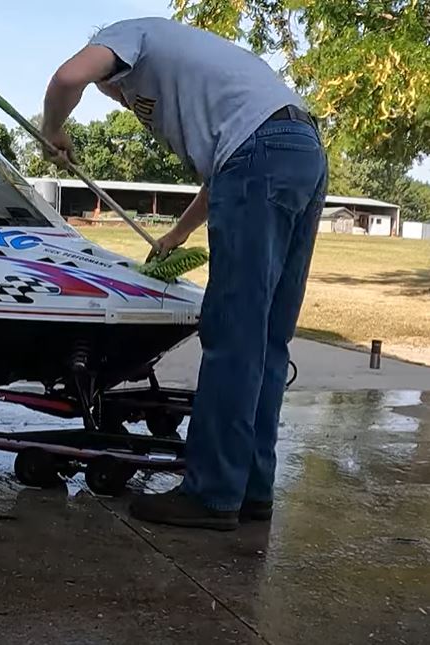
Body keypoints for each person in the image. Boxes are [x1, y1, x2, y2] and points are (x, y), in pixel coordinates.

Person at [41, 17, 328, 530]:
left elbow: (67, 78)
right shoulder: (206, 70)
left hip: (262, 154)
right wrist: (177, 234)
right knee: (266, 337)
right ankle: (251, 489)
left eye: (122, 97)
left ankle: (212, 493)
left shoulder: (129, 37)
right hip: (301, 149)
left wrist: (52, 129)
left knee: (234, 332)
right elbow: (228, 170)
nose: (124, 104)